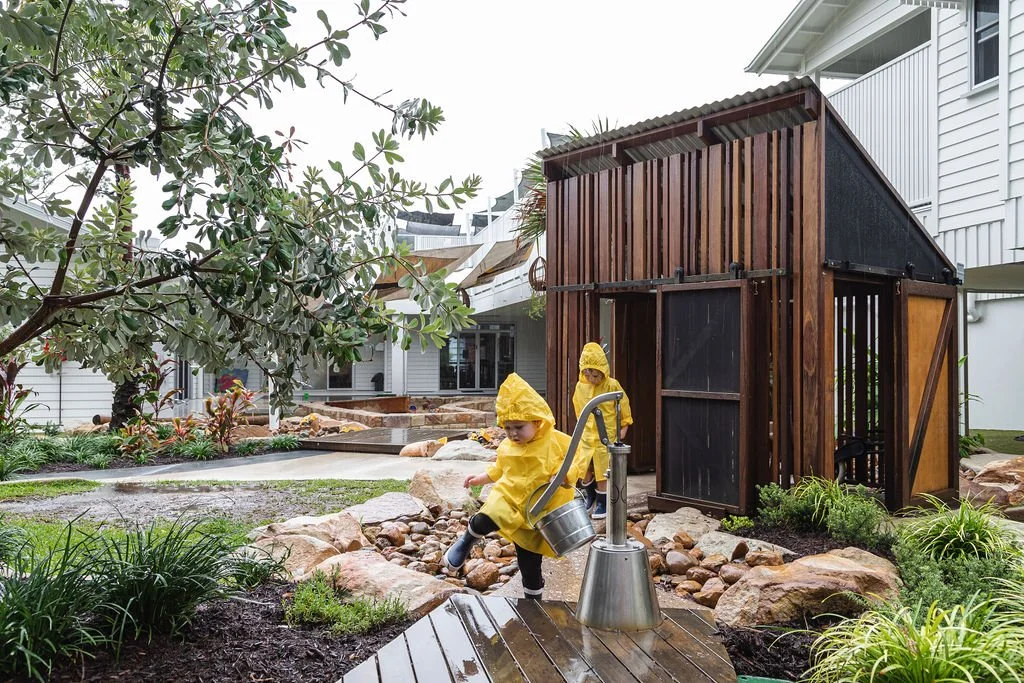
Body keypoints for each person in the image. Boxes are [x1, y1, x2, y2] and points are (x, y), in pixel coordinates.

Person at [443, 373, 579, 600]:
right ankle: (467, 539)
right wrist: (480, 478)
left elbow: (575, 459)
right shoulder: (507, 446)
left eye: (519, 426)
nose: (513, 433)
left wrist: (566, 476)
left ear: (537, 422)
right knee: (486, 516)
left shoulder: (555, 441)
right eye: (507, 428)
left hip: (536, 511)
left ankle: (533, 600)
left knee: (529, 561)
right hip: (508, 498)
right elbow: (499, 469)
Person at [572, 342, 633, 519]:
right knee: (584, 468)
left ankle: (602, 502)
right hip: (586, 435)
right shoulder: (580, 387)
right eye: (587, 373)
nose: (591, 378)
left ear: (603, 371)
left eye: (595, 375)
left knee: (602, 470)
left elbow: (623, 405)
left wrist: (624, 426)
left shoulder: (612, 385)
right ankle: (590, 496)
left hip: (605, 435)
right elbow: (578, 407)